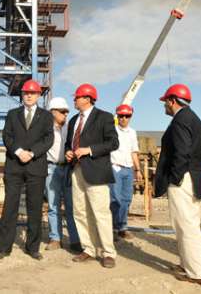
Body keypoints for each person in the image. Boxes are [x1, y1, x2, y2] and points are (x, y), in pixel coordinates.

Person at [154, 84, 201, 286]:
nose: (164, 106)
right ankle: (188, 264)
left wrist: (175, 177)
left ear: (172, 101)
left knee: (186, 227)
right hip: (193, 177)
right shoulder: (193, 118)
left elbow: (182, 153)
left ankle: (197, 273)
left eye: (165, 102)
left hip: (183, 180)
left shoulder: (180, 120)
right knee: (188, 225)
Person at [0, 79, 54, 261]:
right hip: (15, 166)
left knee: (34, 208)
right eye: (26, 92)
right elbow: (7, 136)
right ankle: (4, 248)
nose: (28, 95)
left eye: (32, 93)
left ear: (38, 96)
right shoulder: (12, 114)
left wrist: (32, 153)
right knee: (10, 207)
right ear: (22, 95)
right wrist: (19, 152)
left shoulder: (46, 116)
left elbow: (48, 139)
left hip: (36, 167)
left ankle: (32, 247)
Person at [65, 84, 119, 268]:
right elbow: (68, 143)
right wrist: (68, 152)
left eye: (77, 97)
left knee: (100, 212)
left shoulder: (104, 117)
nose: (74, 100)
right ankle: (88, 248)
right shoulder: (73, 121)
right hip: (77, 170)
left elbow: (113, 142)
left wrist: (89, 150)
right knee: (79, 212)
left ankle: (108, 252)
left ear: (88, 98)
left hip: (96, 171)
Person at [44, 97, 81, 252]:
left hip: (68, 169)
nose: (66, 114)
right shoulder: (44, 129)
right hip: (50, 169)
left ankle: (75, 240)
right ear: (52, 112)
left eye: (67, 112)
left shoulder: (70, 128)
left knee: (71, 206)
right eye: (62, 111)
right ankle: (55, 238)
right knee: (53, 205)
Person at [109, 104, 142, 240]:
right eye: (121, 115)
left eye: (127, 116)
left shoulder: (132, 133)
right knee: (115, 199)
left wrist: (138, 170)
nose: (123, 118)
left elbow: (134, 152)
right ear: (117, 116)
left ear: (130, 117)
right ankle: (112, 228)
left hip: (128, 170)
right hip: (115, 167)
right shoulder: (112, 131)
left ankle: (122, 227)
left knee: (126, 199)